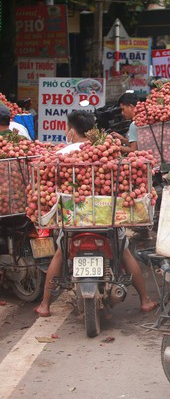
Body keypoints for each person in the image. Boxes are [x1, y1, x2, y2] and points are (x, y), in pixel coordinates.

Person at [35, 111, 157, 317]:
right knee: (125, 252)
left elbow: (51, 185)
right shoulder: (110, 153)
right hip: (106, 220)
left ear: (71, 132)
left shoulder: (62, 155)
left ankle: (45, 305)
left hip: (74, 222)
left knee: (60, 252)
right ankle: (144, 300)